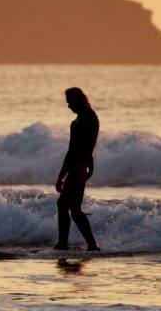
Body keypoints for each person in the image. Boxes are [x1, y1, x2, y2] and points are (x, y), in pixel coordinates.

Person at [54, 87, 100, 251]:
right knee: (72, 207)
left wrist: (85, 168)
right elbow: (71, 150)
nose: (68, 106)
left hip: (81, 166)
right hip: (75, 166)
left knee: (64, 204)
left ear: (78, 100)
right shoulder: (79, 120)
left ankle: (64, 245)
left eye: (70, 102)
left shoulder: (90, 118)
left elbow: (89, 147)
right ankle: (90, 245)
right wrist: (61, 175)